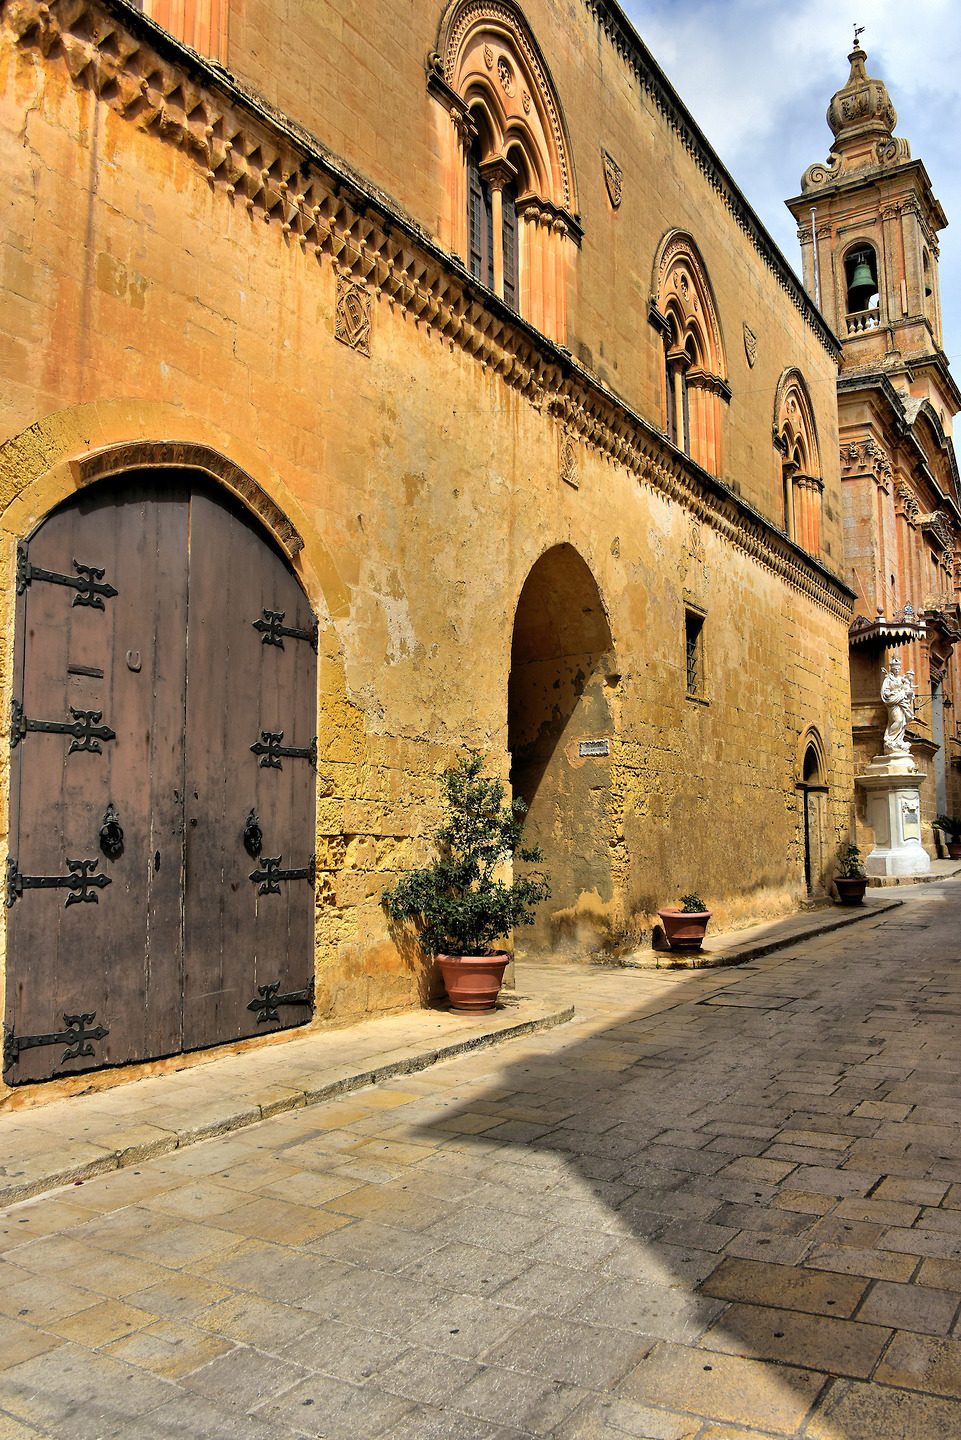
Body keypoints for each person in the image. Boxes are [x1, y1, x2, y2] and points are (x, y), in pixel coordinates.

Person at [881, 654, 915, 754]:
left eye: (898, 669)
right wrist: (891, 693)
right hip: (893, 702)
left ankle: (898, 740)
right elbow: (885, 691)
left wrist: (908, 693)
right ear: (892, 669)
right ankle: (890, 739)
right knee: (898, 720)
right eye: (895, 669)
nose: (896, 670)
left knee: (902, 721)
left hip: (902, 701)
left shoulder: (901, 679)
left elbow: (907, 689)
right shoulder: (888, 679)